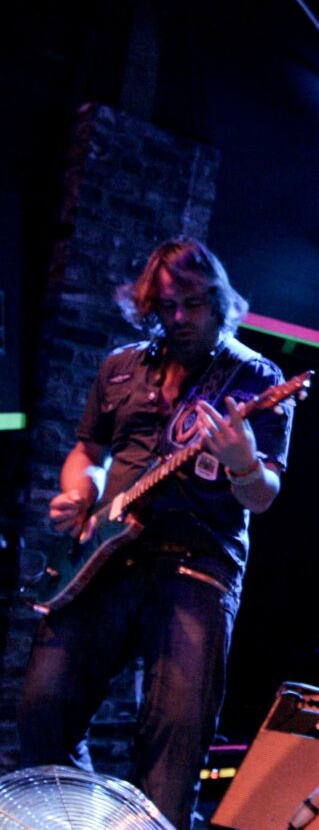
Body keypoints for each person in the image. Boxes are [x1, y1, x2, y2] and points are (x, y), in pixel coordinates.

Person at [18, 237, 293, 829]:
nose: (178, 319)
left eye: (192, 304)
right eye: (165, 307)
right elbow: (87, 450)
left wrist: (243, 461)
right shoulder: (120, 366)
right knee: (42, 709)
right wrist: (81, 490)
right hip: (103, 557)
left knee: (174, 734)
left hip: (197, 565)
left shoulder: (255, 379)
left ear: (219, 303)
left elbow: (263, 496)